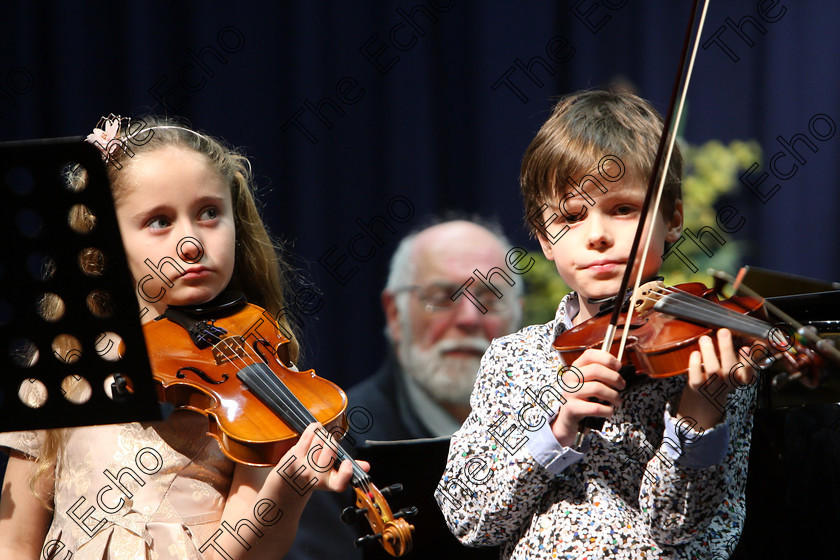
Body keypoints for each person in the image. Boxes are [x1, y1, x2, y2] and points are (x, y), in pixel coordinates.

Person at [0, 115, 363, 559]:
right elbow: (14, 540)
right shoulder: (66, 360)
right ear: (106, 239)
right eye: (159, 221)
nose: (191, 242)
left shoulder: (255, 372)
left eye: (209, 213)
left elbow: (249, 554)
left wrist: (286, 490)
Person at [435, 90, 758, 559]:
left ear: (674, 219)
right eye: (571, 215)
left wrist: (699, 414)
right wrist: (557, 431)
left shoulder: (710, 359)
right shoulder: (514, 361)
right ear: (546, 239)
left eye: (624, 209)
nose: (597, 234)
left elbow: (688, 532)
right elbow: (467, 517)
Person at [287, 219, 523, 559]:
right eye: (442, 296)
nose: (470, 317)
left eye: (490, 296)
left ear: (519, 314)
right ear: (395, 315)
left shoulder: (552, 429)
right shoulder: (335, 443)